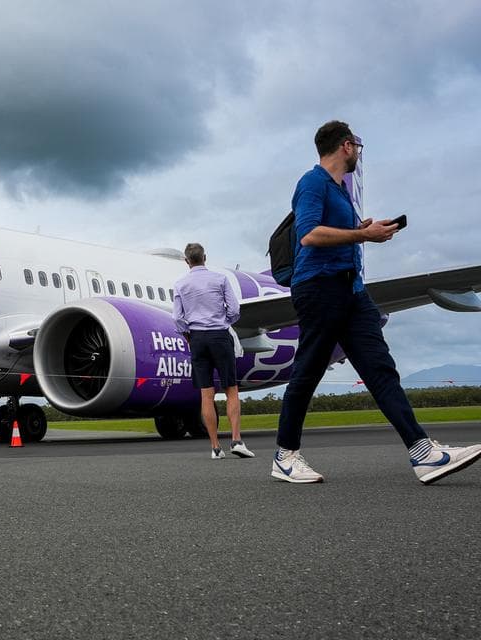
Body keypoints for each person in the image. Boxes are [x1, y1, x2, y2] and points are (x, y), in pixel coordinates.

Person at [272, 120, 481, 484]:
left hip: (352, 291)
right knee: (307, 373)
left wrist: (362, 228)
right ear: (346, 146)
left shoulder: (339, 190)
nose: (357, 153)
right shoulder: (312, 182)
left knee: (380, 369)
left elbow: (336, 234)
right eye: (356, 147)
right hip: (319, 288)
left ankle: (423, 452)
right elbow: (308, 235)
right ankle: (285, 456)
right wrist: (363, 235)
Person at [172, 243, 251, 460]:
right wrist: (224, 322)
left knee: (206, 394)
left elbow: (177, 318)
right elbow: (234, 310)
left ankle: (215, 448)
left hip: (197, 338)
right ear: (204, 257)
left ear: (187, 261)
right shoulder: (220, 279)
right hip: (219, 335)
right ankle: (236, 441)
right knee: (231, 389)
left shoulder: (180, 284)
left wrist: (189, 336)